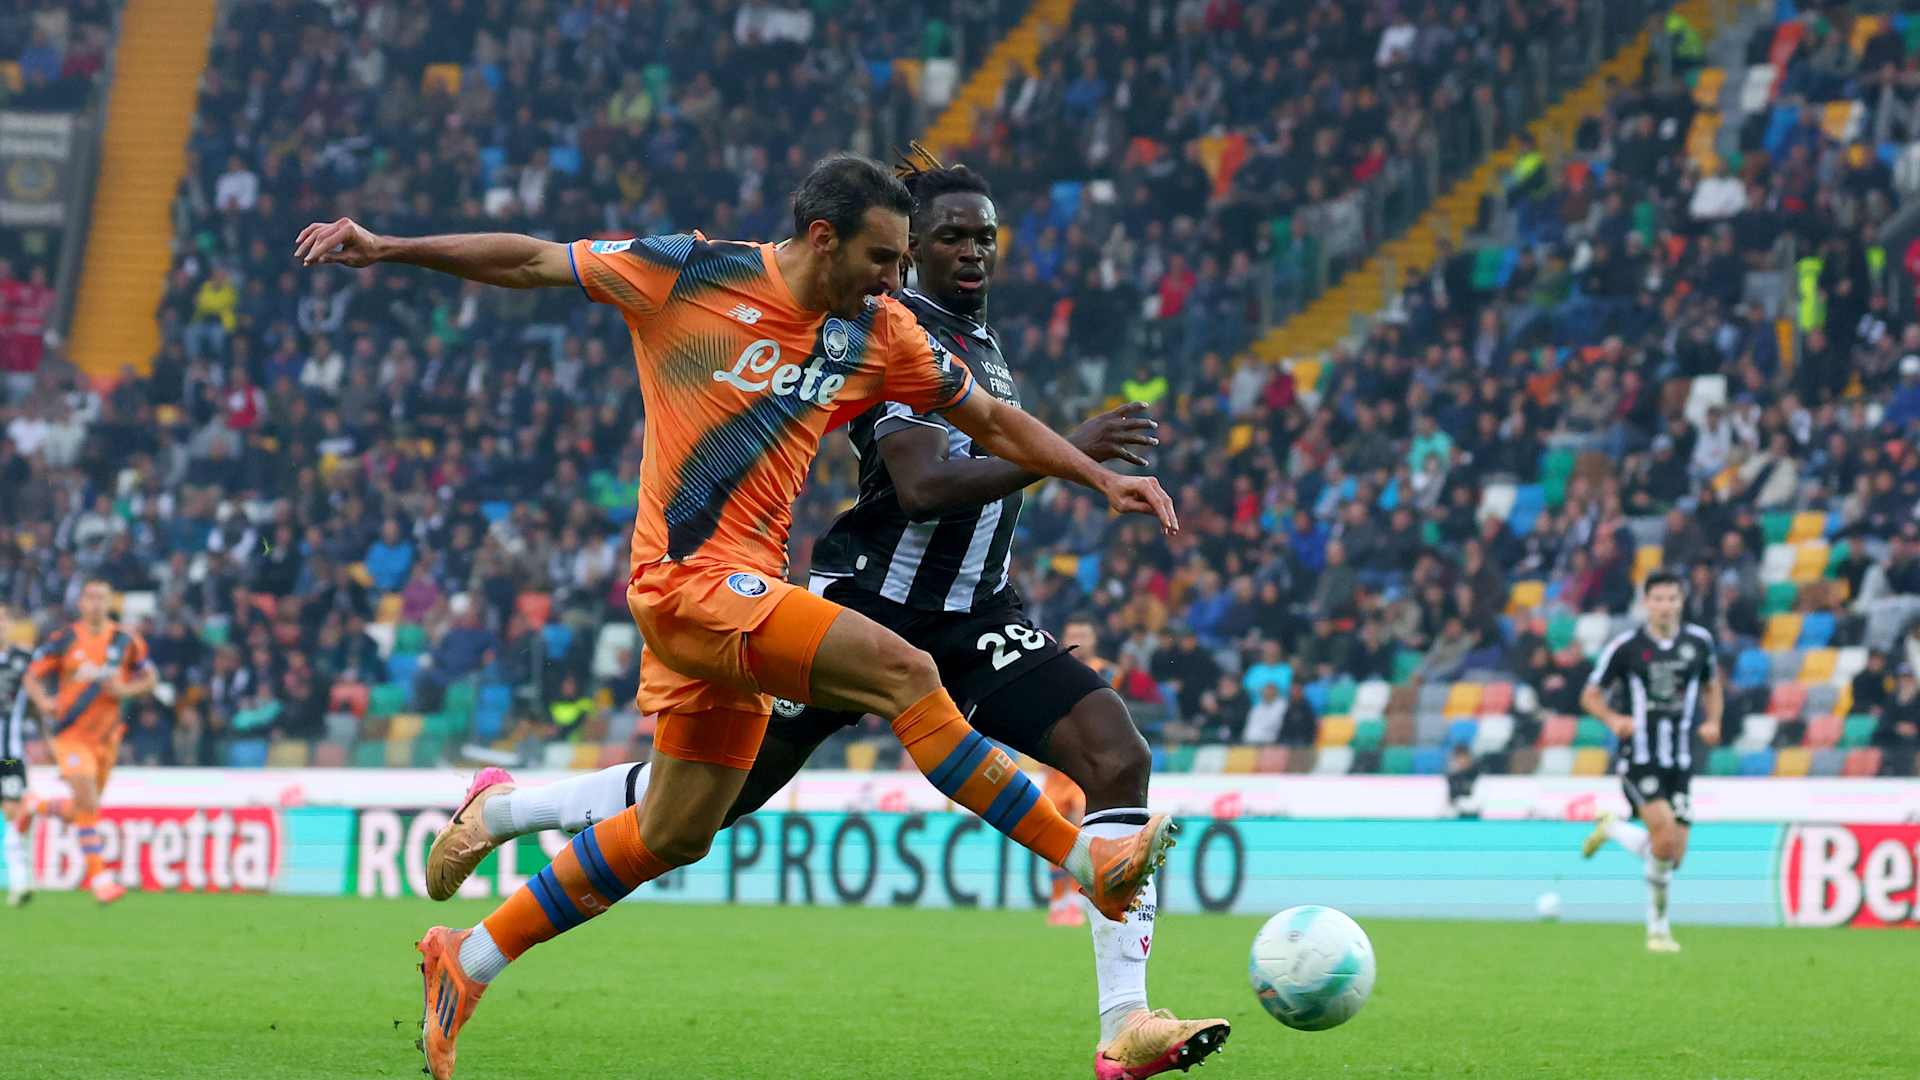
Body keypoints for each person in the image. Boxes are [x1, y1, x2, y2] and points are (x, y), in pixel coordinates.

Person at [294, 153, 1181, 1080]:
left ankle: (468, 957)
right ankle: (1086, 862)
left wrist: (1098, 477)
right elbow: (532, 260)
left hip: (742, 600)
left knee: (674, 831)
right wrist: (387, 247)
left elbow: (993, 422)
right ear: (823, 239)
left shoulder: (877, 331)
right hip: (684, 582)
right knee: (906, 673)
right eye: (882, 258)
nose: (894, 279)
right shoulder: (691, 271)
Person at [1577, 570, 1723, 953]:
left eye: (1672, 599)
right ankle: (1658, 930)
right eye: (1658, 599)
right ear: (1646, 603)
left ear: (1681, 602)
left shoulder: (1699, 642)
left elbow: (1712, 685)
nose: (1665, 606)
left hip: (1680, 761)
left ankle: (1612, 829)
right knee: (1663, 837)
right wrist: (1613, 720)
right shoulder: (1626, 647)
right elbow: (1590, 695)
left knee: (1673, 855)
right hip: (1639, 758)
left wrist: (1713, 721)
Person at [18, 580, 156, 905]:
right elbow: (31, 676)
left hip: (107, 739)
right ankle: (100, 878)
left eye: (101, 598)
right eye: (90, 597)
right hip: (70, 736)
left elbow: (151, 678)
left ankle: (35, 805)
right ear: (80, 603)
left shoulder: (126, 641)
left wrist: (127, 690)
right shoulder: (64, 639)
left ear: (110, 603)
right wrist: (44, 701)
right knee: (87, 799)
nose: (95, 603)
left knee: (82, 810)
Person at [1, 602, 37, 907]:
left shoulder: (24, 660)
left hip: (8, 757)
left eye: (2, 619)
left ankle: (20, 882)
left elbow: (40, 702)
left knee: (13, 814)